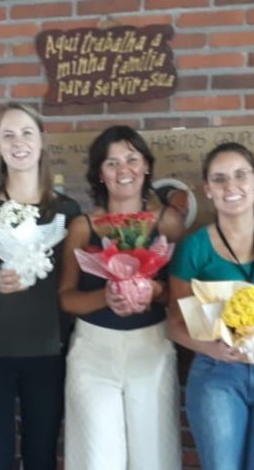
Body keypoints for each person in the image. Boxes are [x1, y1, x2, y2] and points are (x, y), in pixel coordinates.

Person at [0, 103, 81, 470]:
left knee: (41, 456)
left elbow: (73, 287)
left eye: (27, 133)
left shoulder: (66, 211)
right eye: (8, 135)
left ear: (42, 140)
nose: (18, 142)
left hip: (48, 353)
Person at [167, 142, 254, 470]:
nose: (231, 186)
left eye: (241, 175)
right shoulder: (194, 247)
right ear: (208, 189)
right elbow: (173, 325)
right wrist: (211, 348)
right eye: (220, 179)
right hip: (217, 375)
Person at [58, 126, 185, 470]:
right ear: (100, 173)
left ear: (146, 166)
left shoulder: (168, 222)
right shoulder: (83, 226)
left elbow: (184, 296)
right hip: (93, 352)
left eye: (131, 159)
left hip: (152, 347)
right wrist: (107, 296)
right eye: (111, 163)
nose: (123, 169)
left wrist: (154, 291)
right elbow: (66, 299)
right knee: (96, 459)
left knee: (154, 458)